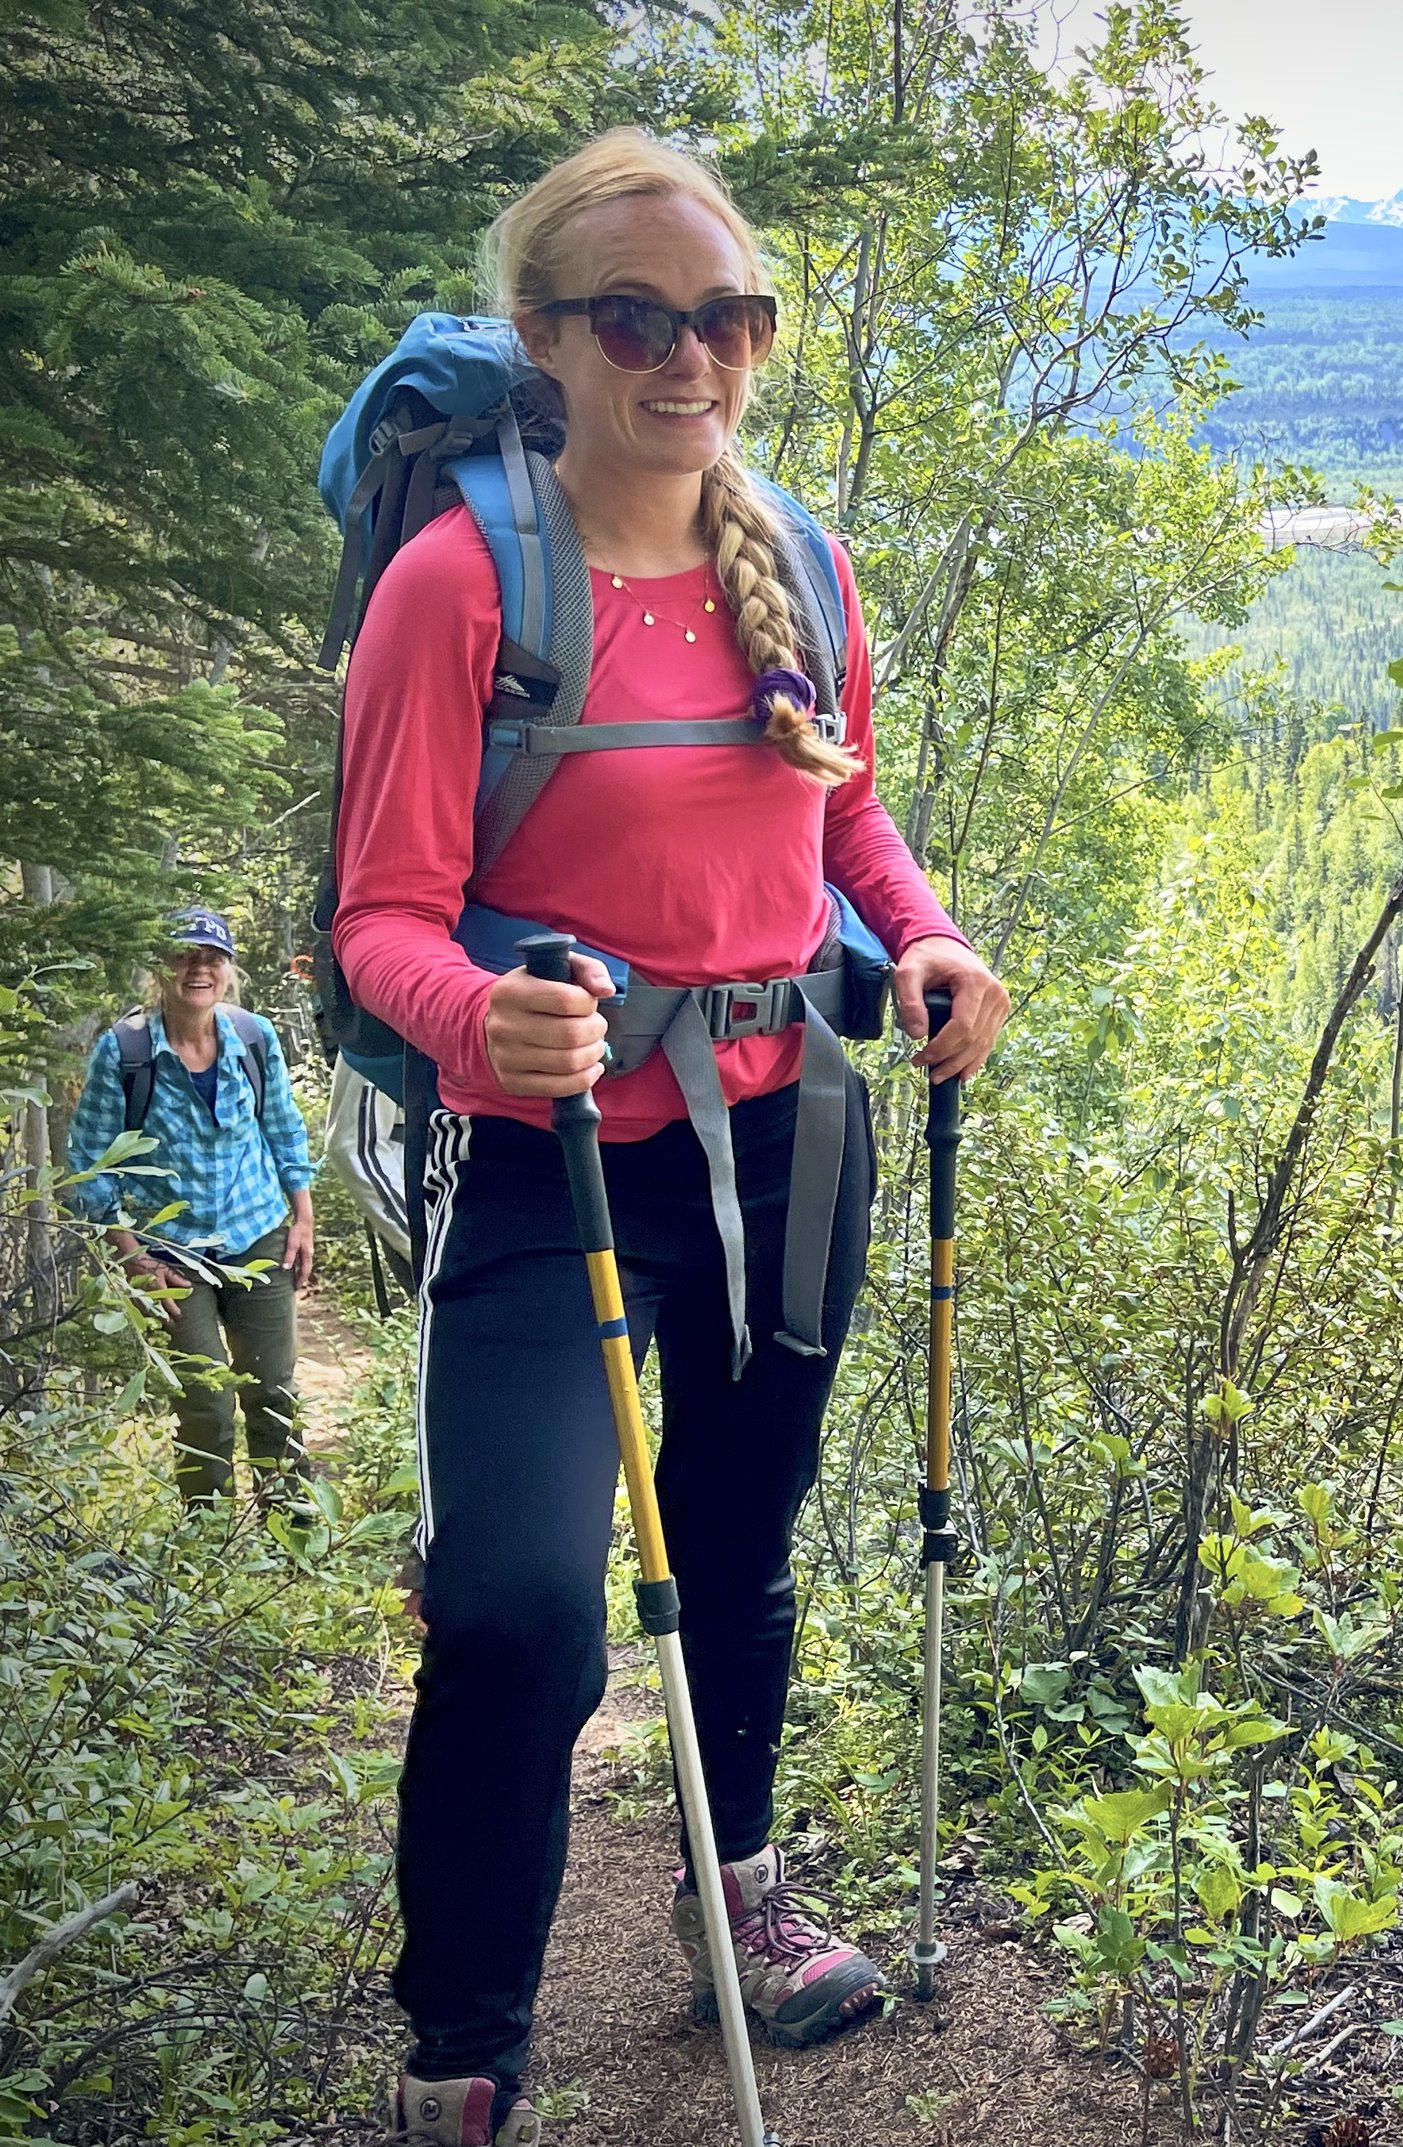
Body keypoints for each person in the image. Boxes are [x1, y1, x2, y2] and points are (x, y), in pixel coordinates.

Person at [330, 131, 1008, 2145]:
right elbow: (381, 911)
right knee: (525, 1599)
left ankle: (741, 1890)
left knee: (736, 1536)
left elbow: (840, 806)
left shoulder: (795, 558)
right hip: (541, 1156)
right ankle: (465, 2041)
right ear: (550, 341)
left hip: (786, 1125)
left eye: (729, 315)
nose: (691, 352)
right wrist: (482, 1008)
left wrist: (926, 931)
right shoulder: (465, 583)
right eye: (637, 315)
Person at [64, 907, 318, 1504]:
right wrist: (134, 1258)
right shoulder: (125, 1052)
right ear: (161, 969)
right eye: (184, 955)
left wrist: (302, 1217)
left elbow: (283, 1129)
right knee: (204, 1399)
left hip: (257, 1234)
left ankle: (295, 1538)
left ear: (228, 970)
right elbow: (90, 1164)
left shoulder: (254, 1038)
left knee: (272, 1390)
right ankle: (205, 1546)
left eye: (212, 957)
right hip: (168, 1252)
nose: (198, 968)